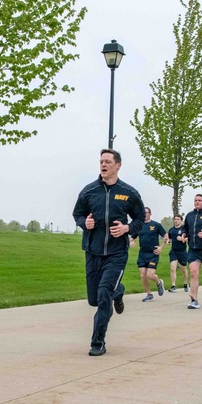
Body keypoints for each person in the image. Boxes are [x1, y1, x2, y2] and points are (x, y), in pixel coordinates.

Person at [73, 149, 145, 356]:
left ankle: (98, 342)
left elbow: (140, 219)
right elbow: (77, 214)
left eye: (107, 161)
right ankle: (118, 291)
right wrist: (84, 223)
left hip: (116, 254)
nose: (103, 165)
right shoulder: (89, 191)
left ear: (117, 165)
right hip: (93, 252)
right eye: (101, 161)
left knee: (104, 294)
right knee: (94, 300)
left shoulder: (129, 193)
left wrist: (127, 229)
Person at [130, 207, 166, 302]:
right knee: (143, 275)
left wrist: (161, 248)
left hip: (153, 253)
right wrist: (132, 241)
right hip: (142, 254)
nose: (144, 214)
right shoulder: (139, 226)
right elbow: (132, 237)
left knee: (150, 275)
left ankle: (158, 282)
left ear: (150, 214)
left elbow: (166, 236)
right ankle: (149, 294)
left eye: (146, 213)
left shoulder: (156, 225)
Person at [164, 214, 190, 293]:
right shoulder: (171, 230)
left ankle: (185, 283)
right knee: (172, 268)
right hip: (173, 251)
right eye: (175, 219)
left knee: (183, 269)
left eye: (178, 219)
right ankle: (173, 285)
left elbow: (188, 238)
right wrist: (168, 241)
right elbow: (169, 238)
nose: (176, 221)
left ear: (181, 221)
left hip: (182, 251)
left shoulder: (184, 229)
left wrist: (183, 239)